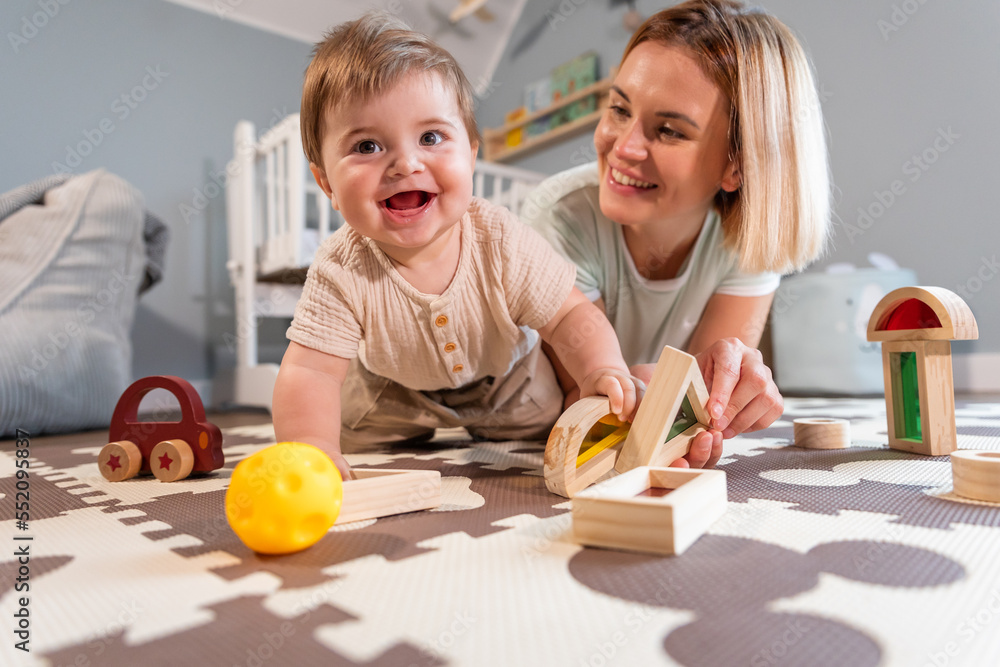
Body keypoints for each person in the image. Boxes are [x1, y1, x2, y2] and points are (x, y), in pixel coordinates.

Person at [272, 13, 642, 479]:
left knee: (547, 420)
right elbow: (313, 372)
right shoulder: (339, 268)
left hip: (507, 383)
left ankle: (526, 416)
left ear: (470, 152)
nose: (405, 163)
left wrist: (598, 371)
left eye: (430, 137)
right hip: (394, 388)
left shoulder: (500, 239)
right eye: (367, 146)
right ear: (325, 181)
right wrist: (311, 446)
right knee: (344, 428)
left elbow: (570, 315)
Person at [523, 0, 831, 469]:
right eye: (619, 109)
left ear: (737, 165)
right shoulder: (561, 216)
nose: (623, 147)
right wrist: (663, 397)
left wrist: (722, 392)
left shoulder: (746, 240)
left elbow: (701, 404)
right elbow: (586, 397)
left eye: (668, 131)